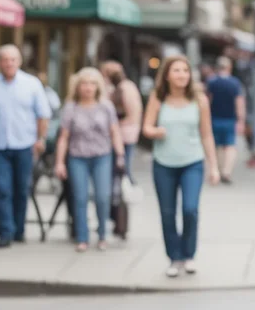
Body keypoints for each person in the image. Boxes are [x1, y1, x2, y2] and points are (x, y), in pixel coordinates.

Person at [142, 55, 221, 278]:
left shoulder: (199, 100)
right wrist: (155, 131)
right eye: (176, 70)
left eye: (185, 71)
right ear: (167, 74)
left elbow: (206, 134)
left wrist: (213, 166)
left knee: (190, 209)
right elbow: (146, 127)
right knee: (167, 213)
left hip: (192, 163)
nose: (182, 75)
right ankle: (174, 257)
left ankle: (189, 254)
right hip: (163, 164)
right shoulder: (158, 98)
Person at [0, 44, 52, 248]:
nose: (9, 63)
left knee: (22, 188)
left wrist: (40, 139)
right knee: (2, 188)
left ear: (19, 62)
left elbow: (43, 115)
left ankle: (19, 230)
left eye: (12, 59)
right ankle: (6, 232)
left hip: (24, 144)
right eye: (5, 60)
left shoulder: (32, 84)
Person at [53, 68, 124, 252]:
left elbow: (115, 131)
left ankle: (102, 235)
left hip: (102, 155)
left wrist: (120, 155)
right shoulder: (70, 107)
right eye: (84, 84)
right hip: (78, 156)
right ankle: (82, 237)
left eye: (92, 84)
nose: (88, 88)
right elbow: (63, 137)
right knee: (80, 197)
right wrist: (60, 162)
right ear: (77, 87)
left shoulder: (106, 106)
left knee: (102, 196)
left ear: (98, 87)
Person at [205, 56, 246, 184]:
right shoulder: (235, 83)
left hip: (214, 118)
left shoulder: (211, 82)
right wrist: (241, 120)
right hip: (229, 119)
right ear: (230, 67)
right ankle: (226, 172)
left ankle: (216, 170)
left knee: (215, 146)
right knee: (230, 146)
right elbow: (239, 103)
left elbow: (207, 101)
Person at [102, 62, 143, 184]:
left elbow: (133, 114)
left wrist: (116, 127)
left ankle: (124, 194)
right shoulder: (115, 88)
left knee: (122, 167)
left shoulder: (126, 88)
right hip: (121, 132)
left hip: (125, 133)